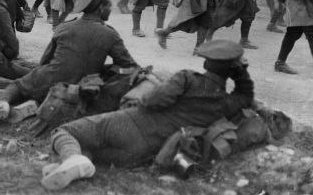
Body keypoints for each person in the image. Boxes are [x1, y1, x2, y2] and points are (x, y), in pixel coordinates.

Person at [40, 39, 254, 191]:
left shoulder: (187, 78)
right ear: (231, 72)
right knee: (91, 148)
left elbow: (151, 101)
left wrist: (145, 96)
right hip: (145, 151)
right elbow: (246, 95)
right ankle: (77, 164)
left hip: (130, 124)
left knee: (65, 131)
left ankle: (71, 158)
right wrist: (241, 72)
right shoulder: (224, 103)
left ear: (206, 63)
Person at [0, 0, 138, 131]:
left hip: (49, 77)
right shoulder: (110, 35)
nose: (110, 10)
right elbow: (130, 66)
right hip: (80, 87)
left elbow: (44, 61)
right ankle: (40, 104)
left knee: (18, 85)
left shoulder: (64, 27)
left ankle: (4, 103)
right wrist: (104, 68)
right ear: (101, 9)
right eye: (109, 6)